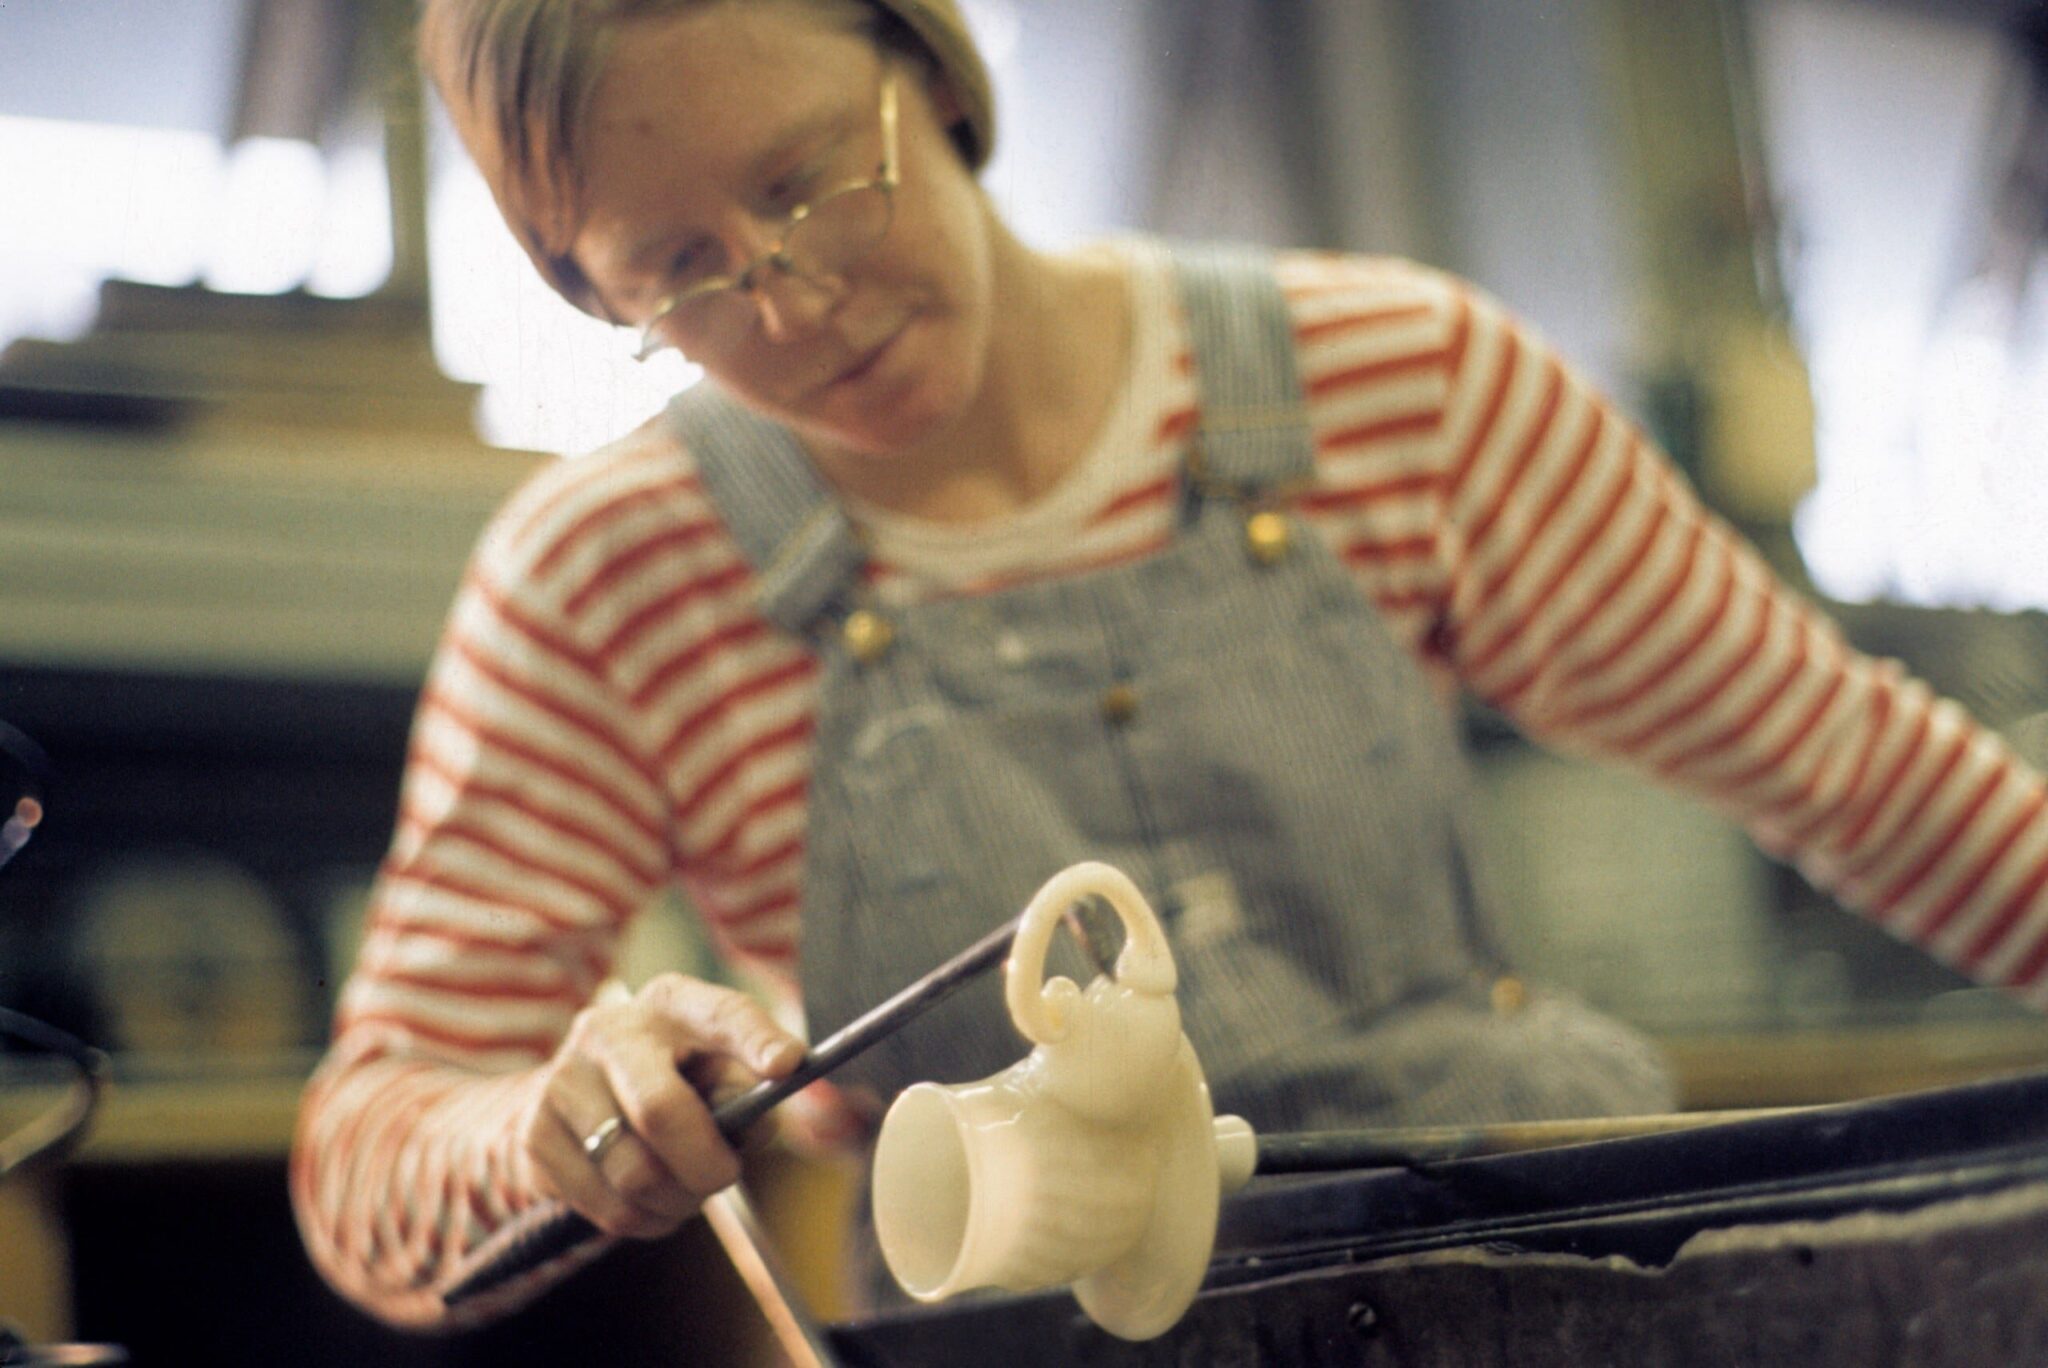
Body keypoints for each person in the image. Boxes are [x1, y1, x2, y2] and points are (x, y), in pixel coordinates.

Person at [293, 0, 2048, 1329]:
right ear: (587, 290)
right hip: (1027, 1331)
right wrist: (542, 1131)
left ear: (940, 73)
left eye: (811, 177)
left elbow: (1862, 775)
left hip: (1535, 1294)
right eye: (679, 271)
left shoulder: (1404, 392)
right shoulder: (608, 584)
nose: (792, 299)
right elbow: (365, 1163)